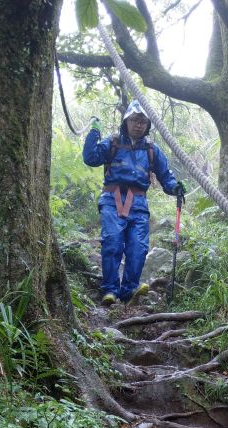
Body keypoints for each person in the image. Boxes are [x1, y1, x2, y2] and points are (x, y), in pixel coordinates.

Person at [83, 100, 185, 305]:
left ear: (148, 125)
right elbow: (90, 157)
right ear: (126, 121)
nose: (139, 124)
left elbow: (166, 176)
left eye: (143, 121)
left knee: (138, 246)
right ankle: (110, 290)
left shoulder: (151, 150)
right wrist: (94, 132)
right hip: (112, 199)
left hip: (138, 202)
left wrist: (175, 187)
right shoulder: (112, 143)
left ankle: (130, 289)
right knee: (112, 241)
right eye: (134, 120)